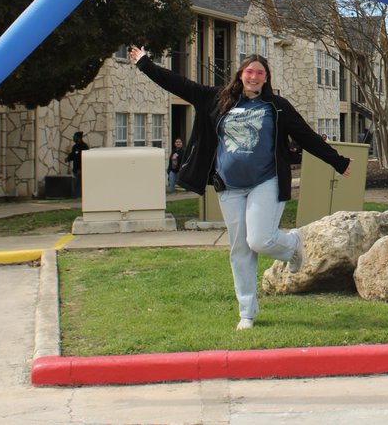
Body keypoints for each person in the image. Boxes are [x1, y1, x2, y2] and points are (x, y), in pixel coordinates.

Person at [128, 46, 351, 330]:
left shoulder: (276, 106)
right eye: (249, 71)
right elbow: (178, 84)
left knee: (259, 240)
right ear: (241, 75)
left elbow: (305, 135)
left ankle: (293, 243)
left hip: (265, 182)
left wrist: (337, 161)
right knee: (240, 249)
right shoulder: (217, 99)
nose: (254, 76)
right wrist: (145, 64)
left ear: (266, 77)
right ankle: (247, 312)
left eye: (260, 72)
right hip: (229, 186)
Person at [65, 131, 87, 198]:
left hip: (80, 170)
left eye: (74, 137)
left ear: (78, 138)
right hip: (75, 169)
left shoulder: (84, 147)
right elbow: (73, 155)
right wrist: (68, 158)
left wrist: (80, 169)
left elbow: (84, 159)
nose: (73, 138)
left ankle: (75, 197)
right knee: (77, 183)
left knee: (78, 184)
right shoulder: (75, 147)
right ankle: (77, 196)